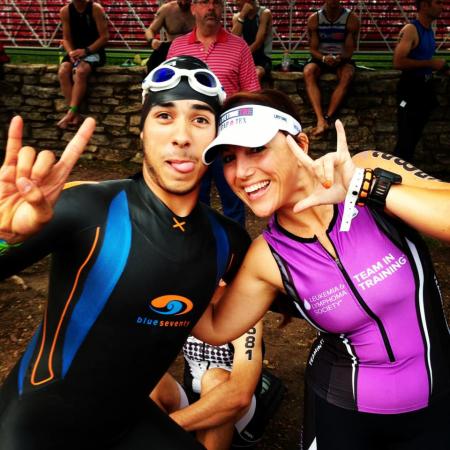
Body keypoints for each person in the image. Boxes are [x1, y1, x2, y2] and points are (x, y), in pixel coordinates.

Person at [0, 56, 251, 449]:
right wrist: (3, 237)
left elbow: (296, 294)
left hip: (126, 422)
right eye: (164, 116)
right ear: (142, 130)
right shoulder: (87, 207)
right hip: (36, 426)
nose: (182, 136)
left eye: (200, 120)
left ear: (216, 141)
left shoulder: (228, 240)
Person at [192, 89, 450, 449]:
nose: (242, 172)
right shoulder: (267, 256)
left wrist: (363, 188)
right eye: (228, 159)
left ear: (300, 143)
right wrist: (165, 264)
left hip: (438, 406)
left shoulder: (367, 168)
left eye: (257, 148)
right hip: (341, 412)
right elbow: (216, 328)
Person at [167, 0, 260, 227]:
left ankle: (235, 245)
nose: (211, 8)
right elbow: (169, 93)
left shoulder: (239, 47)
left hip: (228, 138)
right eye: (204, 2)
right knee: (193, 198)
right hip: (191, 138)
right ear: (193, 8)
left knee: (233, 199)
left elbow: (252, 94)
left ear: (222, 8)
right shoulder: (178, 47)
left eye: (216, 2)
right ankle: (198, 243)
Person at [150, 319, 267, 449]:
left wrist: (165, 426)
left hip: (239, 415)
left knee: (215, 380)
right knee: (152, 382)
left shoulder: (247, 317)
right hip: (193, 399)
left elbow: (239, 395)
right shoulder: (188, 313)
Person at [392, 0, 449, 162]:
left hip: (424, 89)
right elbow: (398, 62)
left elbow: (424, 59)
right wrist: (431, 64)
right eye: (437, 3)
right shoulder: (411, 30)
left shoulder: (429, 31)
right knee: (406, 140)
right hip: (410, 91)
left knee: (413, 138)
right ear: (424, 5)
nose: (442, 7)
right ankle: (394, 172)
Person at [303, 0, 360, 137]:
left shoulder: (351, 19)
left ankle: (327, 118)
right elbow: (313, 49)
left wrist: (340, 58)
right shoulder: (315, 19)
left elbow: (349, 50)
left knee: (347, 75)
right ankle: (320, 119)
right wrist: (323, 58)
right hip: (321, 58)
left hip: (341, 58)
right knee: (308, 71)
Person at [57, 0, 109, 129]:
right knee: (63, 70)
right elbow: (66, 39)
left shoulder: (95, 9)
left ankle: (71, 113)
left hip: (93, 51)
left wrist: (86, 51)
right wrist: (71, 53)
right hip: (75, 52)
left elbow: (104, 37)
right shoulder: (65, 11)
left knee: (80, 72)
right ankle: (74, 113)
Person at [144, 0, 195, 74]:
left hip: (193, 49)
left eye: (187, 1)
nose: (183, 3)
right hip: (170, 48)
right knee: (153, 66)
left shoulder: (199, 10)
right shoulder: (166, 9)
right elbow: (150, 30)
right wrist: (152, 41)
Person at [231, 0, 273, 81]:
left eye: (238, 0)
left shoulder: (264, 13)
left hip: (262, 59)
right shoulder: (238, 17)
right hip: (244, 60)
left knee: (255, 74)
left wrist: (241, 57)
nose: (236, 3)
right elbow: (233, 40)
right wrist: (242, 15)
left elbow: (258, 43)